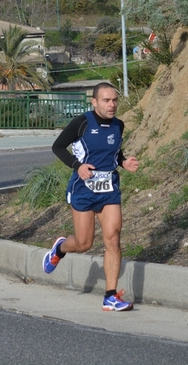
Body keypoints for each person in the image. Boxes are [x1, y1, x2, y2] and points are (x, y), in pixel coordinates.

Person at [43, 82, 140, 311]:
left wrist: (123, 162)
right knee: (84, 243)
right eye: (106, 100)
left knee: (113, 238)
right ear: (94, 102)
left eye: (115, 100)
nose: (112, 104)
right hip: (84, 190)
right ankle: (59, 249)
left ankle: (110, 296)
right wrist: (77, 166)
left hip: (108, 190)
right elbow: (57, 147)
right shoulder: (82, 122)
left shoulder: (119, 125)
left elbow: (114, 154)